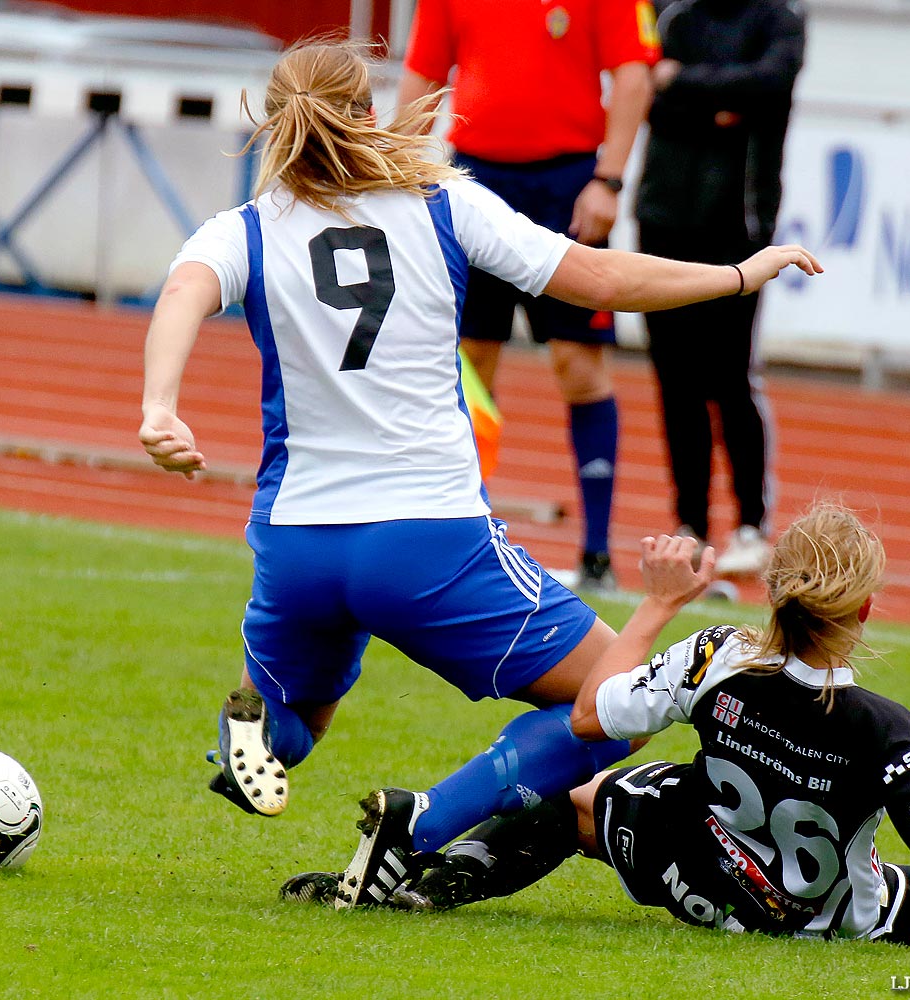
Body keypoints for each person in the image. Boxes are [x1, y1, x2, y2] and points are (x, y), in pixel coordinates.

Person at [138, 41, 821, 909]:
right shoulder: (441, 205)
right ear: (369, 110)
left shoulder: (241, 228)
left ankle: (255, 722)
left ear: (276, 125)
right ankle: (419, 824)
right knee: (623, 696)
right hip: (429, 540)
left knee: (297, 732)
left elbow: (180, 296)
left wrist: (161, 407)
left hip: (297, 542)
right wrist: (735, 275)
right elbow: (600, 275)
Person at [283, 504, 910, 965]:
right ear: (863, 609)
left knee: (580, 797)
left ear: (771, 591)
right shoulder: (887, 730)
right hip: (827, 921)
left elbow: (587, 718)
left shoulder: (716, 657)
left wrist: (655, 603)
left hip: (695, 869)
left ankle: (429, 883)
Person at [396, 0, 660, 590]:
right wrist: (390, 170)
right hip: (471, 181)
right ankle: (465, 536)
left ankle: (595, 551)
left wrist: (609, 179)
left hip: (566, 185)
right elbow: (423, 75)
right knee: (467, 365)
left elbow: (634, 74)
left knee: (578, 364)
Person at [637, 0, 805, 578]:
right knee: (674, 379)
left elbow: (769, 85)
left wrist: (685, 82)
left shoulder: (779, 19)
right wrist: (714, 101)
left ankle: (751, 525)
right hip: (662, 218)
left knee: (731, 378)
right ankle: (688, 523)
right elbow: (644, 91)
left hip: (738, 228)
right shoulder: (669, 12)